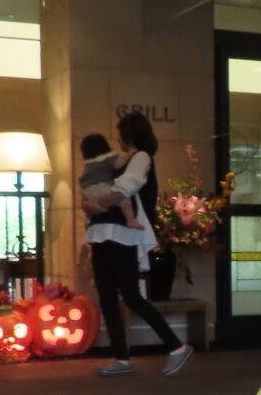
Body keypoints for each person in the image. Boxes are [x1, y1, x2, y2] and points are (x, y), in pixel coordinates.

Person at [82, 112, 193, 377]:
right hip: (101, 234)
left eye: (120, 131)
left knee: (131, 296)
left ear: (129, 133)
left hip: (122, 234)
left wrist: (98, 203)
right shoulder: (113, 160)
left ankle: (176, 347)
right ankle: (121, 358)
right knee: (108, 299)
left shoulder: (141, 157)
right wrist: (90, 204)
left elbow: (127, 186)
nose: (117, 137)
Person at [79, 133, 144, 230]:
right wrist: (130, 154)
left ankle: (88, 222)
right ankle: (131, 220)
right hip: (101, 187)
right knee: (124, 197)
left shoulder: (89, 164)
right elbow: (118, 164)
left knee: (92, 208)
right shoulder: (107, 157)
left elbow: (82, 180)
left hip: (87, 191)